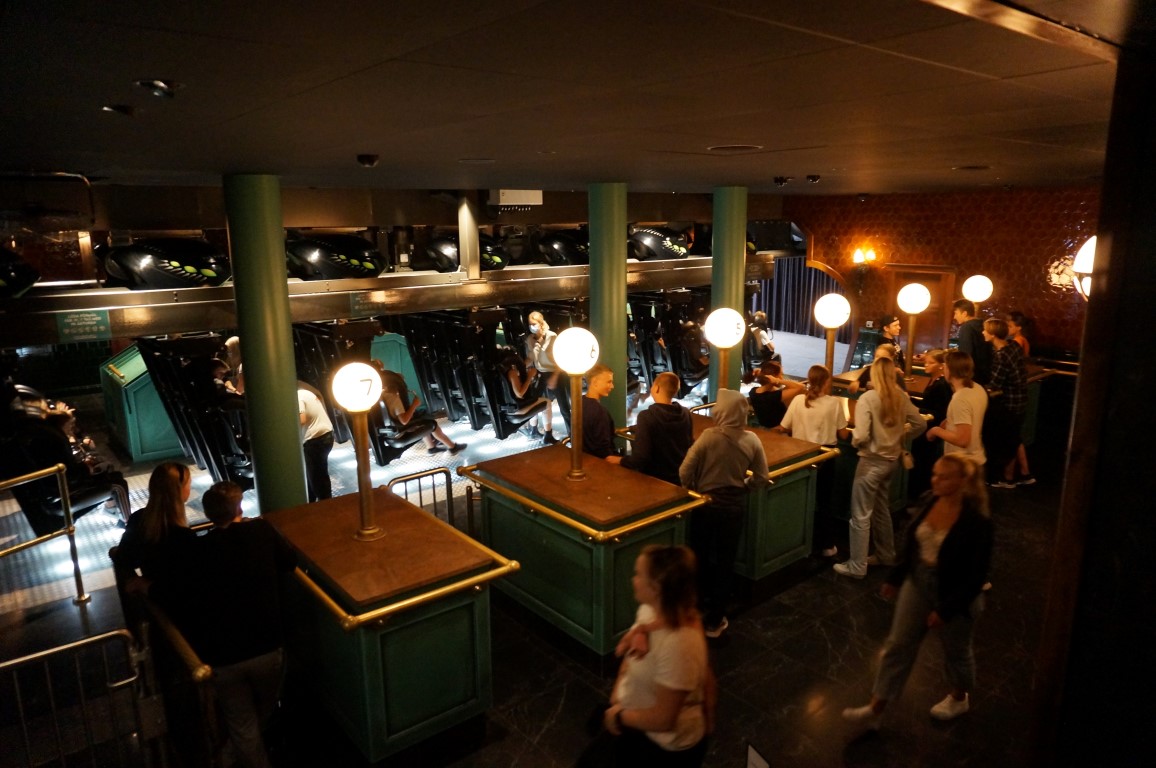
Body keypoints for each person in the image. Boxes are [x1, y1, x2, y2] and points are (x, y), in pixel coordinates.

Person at [843, 454, 993, 729]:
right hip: (919, 581)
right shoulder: (930, 499)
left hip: (955, 592)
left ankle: (959, 697)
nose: (935, 480)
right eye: (935, 474)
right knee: (898, 645)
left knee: (956, 652)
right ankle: (876, 709)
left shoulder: (977, 522)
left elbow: (976, 576)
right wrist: (896, 577)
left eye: (943, 477)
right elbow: (913, 542)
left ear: (962, 481)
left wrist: (946, 610)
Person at [579, 545, 711, 767]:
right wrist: (639, 633)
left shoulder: (679, 645)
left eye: (639, 575)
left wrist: (617, 716)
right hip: (635, 722)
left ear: (656, 588)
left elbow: (663, 719)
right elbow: (630, 660)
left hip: (664, 747)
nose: (633, 580)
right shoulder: (650, 610)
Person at [679, 389, 769, 636]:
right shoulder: (752, 440)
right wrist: (745, 487)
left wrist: (694, 489)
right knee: (725, 561)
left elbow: (684, 470)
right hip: (734, 508)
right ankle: (715, 619)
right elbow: (762, 477)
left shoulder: (708, 437)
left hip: (705, 506)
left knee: (699, 556)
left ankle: (696, 608)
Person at [834, 357, 926, 579]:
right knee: (881, 509)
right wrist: (901, 437)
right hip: (892, 462)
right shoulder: (900, 396)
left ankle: (857, 565)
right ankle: (886, 554)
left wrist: (857, 442)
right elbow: (921, 424)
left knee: (860, 515)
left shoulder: (868, 398)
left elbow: (861, 435)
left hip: (871, 462)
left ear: (874, 375)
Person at [778, 365, 850, 557]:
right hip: (824, 456)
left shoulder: (798, 400)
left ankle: (797, 543)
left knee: (801, 498)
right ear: (826, 381)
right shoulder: (833, 403)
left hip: (800, 454)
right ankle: (826, 544)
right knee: (824, 501)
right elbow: (843, 434)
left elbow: (784, 427)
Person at [114, 462, 196, 583]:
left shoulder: (138, 518)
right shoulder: (185, 536)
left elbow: (125, 559)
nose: (190, 489)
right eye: (189, 484)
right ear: (179, 490)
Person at [621, 371, 693, 485]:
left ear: (657, 388)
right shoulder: (685, 413)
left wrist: (621, 460)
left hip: (654, 480)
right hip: (678, 478)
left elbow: (640, 458)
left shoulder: (646, 416)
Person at [983, 318, 1029, 488]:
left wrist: (978, 388)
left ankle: (1006, 479)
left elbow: (995, 384)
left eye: (985, 330)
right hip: (1021, 400)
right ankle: (1022, 475)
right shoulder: (1013, 346)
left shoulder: (1001, 355)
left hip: (1009, 403)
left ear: (993, 334)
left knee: (1006, 441)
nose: (982, 332)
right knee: (1014, 438)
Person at [378, 368, 465, 454]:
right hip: (401, 429)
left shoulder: (382, 395)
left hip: (392, 428)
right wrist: (414, 404)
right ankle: (452, 447)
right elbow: (404, 421)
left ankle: (431, 447)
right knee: (431, 421)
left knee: (421, 417)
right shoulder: (394, 398)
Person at [926, 351, 988, 467]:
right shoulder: (978, 388)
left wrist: (935, 430)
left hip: (961, 463)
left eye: (945, 366)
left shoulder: (960, 399)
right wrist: (949, 421)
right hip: (977, 458)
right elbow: (971, 416)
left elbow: (962, 440)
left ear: (950, 370)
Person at [909, 348, 951, 499]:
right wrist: (910, 400)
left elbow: (939, 411)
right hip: (927, 426)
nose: (926, 365)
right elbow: (927, 404)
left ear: (941, 366)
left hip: (931, 429)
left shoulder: (941, 385)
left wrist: (914, 408)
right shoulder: (934, 381)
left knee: (923, 460)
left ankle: (920, 492)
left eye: (931, 363)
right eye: (926, 362)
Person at [525, 311, 560, 444]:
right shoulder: (530, 339)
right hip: (539, 373)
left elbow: (559, 358)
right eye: (530, 324)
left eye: (534, 324)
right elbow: (531, 357)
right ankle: (534, 430)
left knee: (560, 404)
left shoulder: (552, 336)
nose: (532, 327)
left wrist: (555, 376)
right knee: (535, 402)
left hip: (553, 372)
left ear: (541, 323)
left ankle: (568, 434)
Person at [297, 383, 334, 502]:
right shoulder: (307, 393)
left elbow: (302, 420)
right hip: (327, 435)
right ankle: (315, 500)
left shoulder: (298, 397)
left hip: (315, 439)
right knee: (319, 472)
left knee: (316, 476)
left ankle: (324, 502)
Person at [746, 361, 805, 428]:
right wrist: (778, 381)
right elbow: (801, 387)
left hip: (764, 428)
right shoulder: (773, 396)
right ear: (773, 377)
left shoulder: (753, 392)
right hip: (779, 430)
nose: (782, 377)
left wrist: (763, 374)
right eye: (781, 374)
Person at [582, 363, 619, 461]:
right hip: (598, 462)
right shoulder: (600, 412)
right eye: (609, 382)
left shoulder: (579, 403)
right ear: (595, 382)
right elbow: (604, 451)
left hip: (583, 458)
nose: (612, 386)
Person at [952, 300, 991, 385]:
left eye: (956, 313)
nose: (954, 317)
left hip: (971, 376)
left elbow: (965, 354)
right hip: (985, 375)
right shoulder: (983, 326)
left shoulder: (966, 327)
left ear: (964, 313)